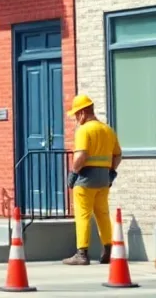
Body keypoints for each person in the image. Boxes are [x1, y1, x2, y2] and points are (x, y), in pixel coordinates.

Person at [63, 94, 122, 265]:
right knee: (103, 214)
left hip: (85, 180)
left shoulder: (84, 130)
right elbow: (118, 155)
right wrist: (110, 172)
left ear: (82, 113)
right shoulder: (107, 130)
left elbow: (81, 156)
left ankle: (82, 254)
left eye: (76, 115)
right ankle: (109, 251)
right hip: (103, 180)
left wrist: (73, 173)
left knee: (83, 215)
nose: (75, 119)